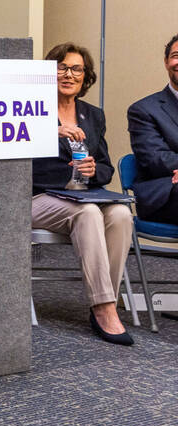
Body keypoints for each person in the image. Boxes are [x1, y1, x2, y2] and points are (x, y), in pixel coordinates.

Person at [33, 43, 134, 345]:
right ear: (49, 73)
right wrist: (56, 143)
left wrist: (92, 171)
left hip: (83, 195)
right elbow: (19, 165)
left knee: (121, 214)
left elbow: (105, 166)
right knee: (88, 213)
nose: (68, 74)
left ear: (85, 76)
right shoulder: (32, 109)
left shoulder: (93, 115)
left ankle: (107, 300)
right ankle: (103, 309)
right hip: (37, 199)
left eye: (76, 68)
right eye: (61, 67)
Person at [127, 33, 178, 224]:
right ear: (166, 62)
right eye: (176, 55)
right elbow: (156, 159)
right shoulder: (144, 110)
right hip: (165, 194)